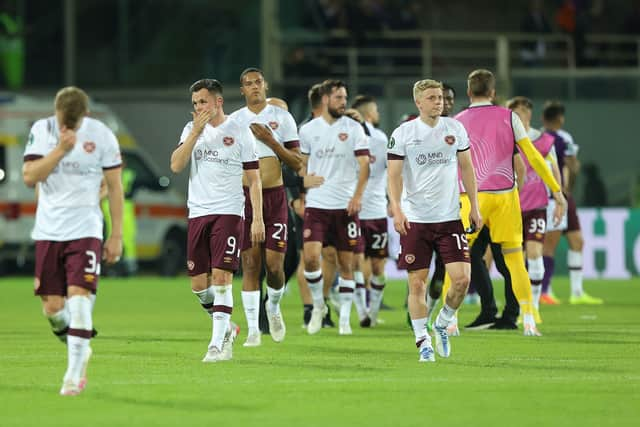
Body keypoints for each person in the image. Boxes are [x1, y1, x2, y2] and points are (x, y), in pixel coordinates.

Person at [22, 86, 124, 395]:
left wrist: (116, 234)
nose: (66, 128)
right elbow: (29, 176)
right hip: (49, 231)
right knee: (53, 309)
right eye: (62, 122)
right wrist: (60, 150)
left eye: (73, 124)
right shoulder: (42, 130)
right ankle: (78, 343)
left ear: (86, 116)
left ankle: (74, 374)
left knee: (80, 300)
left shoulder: (103, 135)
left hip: (86, 228)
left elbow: (115, 186)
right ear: (55, 112)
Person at [450, 69, 566, 337]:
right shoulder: (509, 116)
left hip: (471, 198)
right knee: (514, 260)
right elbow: (534, 157)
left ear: (469, 92)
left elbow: (449, 163)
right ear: (493, 92)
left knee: (459, 257)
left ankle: (451, 319)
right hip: (505, 197)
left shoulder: (457, 121)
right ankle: (528, 320)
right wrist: (557, 191)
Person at [170, 78, 264, 362]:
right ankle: (226, 327)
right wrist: (195, 133)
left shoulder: (239, 131)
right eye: (195, 103)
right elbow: (175, 165)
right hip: (198, 211)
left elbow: (255, 178)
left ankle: (217, 345)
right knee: (199, 285)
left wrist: (257, 217)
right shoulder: (190, 130)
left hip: (229, 211)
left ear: (218, 102)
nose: (199, 107)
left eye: (203, 102)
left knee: (222, 277)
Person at [388, 78, 481, 362]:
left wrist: (474, 207)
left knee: (462, 280)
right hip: (416, 219)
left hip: (450, 217)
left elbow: (467, 168)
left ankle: (441, 322)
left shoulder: (455, 129)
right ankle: (422, 341)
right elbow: (393, 175)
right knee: (417, 284)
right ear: (418, 102)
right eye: (431, 98)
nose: (438, 102)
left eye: (439, 97)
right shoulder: (404, 133)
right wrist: (397, 209)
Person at [229, 68, 303, 346]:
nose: (254, 87)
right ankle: (252, 330)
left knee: (274, 266)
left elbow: (297, 162)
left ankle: (273, 307)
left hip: (274, 198)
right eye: (248, 84)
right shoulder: (234, 121)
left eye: (258, 82)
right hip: (244, 199)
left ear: (265, 85)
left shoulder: (282, 118)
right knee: (250, 264)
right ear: (242, 90)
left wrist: (270, 141)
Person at [299, 79, 370, 336]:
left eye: (345, 97)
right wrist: (301, 186)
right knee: (310, 257)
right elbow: (301, 165)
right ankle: (319, 305)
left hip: (345, 206)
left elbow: (365, 165)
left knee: (346, 264)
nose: (343, 102)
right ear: (326, 100)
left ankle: (344, 321)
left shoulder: (354, 128)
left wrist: (357, 196)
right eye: (339, 97)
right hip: (317, 204)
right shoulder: (308, 131)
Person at [541, 101, 603, 305]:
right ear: (561, 118)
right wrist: (569, 187)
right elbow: (572, 165)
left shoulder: (537, 137)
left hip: (561, 197)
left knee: (577, 241)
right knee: (549, 245)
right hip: (555, 197)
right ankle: (545, 290)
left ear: (543, 118)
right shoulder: (562, 138)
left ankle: (577, 293)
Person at [509, 96, 562, 321]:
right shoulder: (507, 139)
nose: (514, 117)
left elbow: (554, 170)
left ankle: (534, 309)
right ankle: (523, 306)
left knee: (534, 252)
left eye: (518, 112)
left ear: (528, 114)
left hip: (537, 205)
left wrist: (559, 197)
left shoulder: (543, 140)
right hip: (512, 206)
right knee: (516, 260)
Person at [350, 95, 388, 327]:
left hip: (376, 210)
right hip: (352, 210)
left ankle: (372, 313)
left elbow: (393, 172)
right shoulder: (344, 140)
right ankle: (363, 312)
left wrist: (394, 202)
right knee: (357, 264)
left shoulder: (381, 140)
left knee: (377, 266)